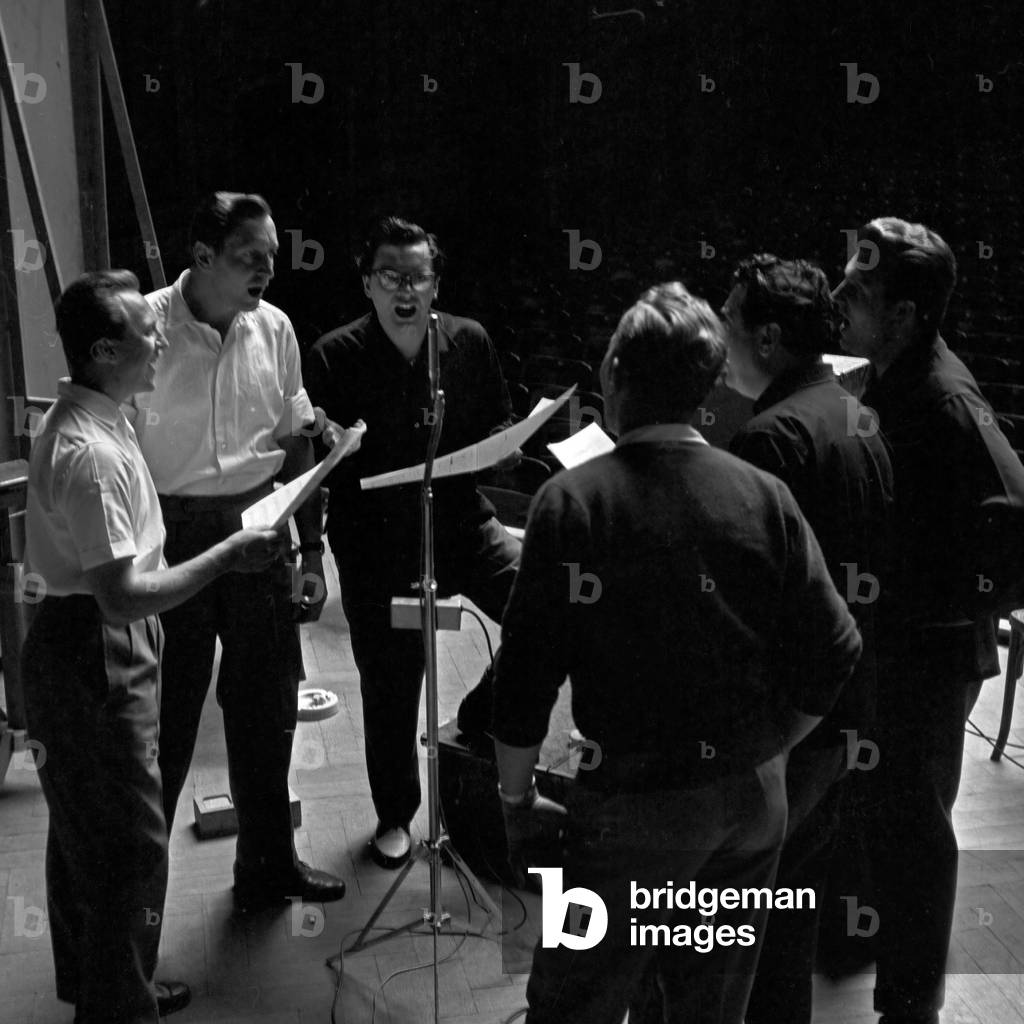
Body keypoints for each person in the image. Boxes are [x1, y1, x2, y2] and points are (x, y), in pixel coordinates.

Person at [491, 282, 863, 1024]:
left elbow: (524, 679)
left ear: (614, 376)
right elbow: (835, 650)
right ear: (706, 388)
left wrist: (513, 796)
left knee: (574, 1003)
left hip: (632, 807)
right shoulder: (764, 494)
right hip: (752, 806)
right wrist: (766, 751)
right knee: (708, 1005)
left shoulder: (573, 502)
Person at [22, 271, 288, 1023]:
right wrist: (230, 555)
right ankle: (120, 1007)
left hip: (80, 639)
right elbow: (122, 595)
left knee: (83, 835)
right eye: (147, 333)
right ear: (107, 351)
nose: (162, 339)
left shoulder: (101, 415)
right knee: (131, 849)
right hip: (97, 647)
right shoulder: (93, 454)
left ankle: (100, 985)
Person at [831, 217, 1024, 1024]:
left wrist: (933, 603)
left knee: (914, 833)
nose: (837, 295)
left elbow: (1015, 520)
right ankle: (856, 942)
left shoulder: (946, 401)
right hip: (887, 647)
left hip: (927, 661)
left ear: (906, 314)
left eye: (859, 290)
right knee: (871, 812)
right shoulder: (887, 375)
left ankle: (910, 1008)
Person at [132, 192, 347, 910]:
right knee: (166, 725)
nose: (268, 270)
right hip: (173, 538)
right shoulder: (147, 329)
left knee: (267, 706)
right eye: (250, 256)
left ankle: (267, 863)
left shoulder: (275, 328)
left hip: (261, 530)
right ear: (202, 255)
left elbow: (295, 442)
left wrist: (309, 551)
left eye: (274, 256)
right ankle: (139, 915)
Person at [305, 216, 520, 868]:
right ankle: (395, 815)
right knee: (393, 681)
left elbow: (499, 420)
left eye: (418, 276)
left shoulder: (467, 340)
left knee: (545, 604)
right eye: (391, 276)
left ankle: (480, 712)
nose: (406, 289)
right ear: (368, 281)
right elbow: (319, 467)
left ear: (435, 282)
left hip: (461, 521)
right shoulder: (333, 355)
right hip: (377, 542)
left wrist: (504, 446)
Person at [720, 254, 894, 1024]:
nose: (717, 340)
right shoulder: (855, 414)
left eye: (727, 323)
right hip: (849, 707)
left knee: (744, 925)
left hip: (791, 725)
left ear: (765, 338)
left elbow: (748, 615)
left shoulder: (771, 440)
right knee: (794, 906)